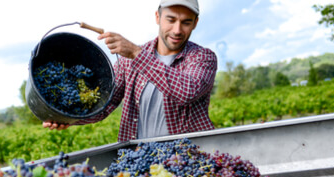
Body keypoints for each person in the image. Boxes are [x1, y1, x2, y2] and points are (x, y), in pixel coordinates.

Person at [43, 0, 218, 142]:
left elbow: (187, 91)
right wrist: (69, 118)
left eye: (186, 22)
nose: (177, 30)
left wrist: (136, 53)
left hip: (188, 159)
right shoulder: (129, 62)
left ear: (195, 23)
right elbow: (105, 105)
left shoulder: (202, 58)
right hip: (140, 160)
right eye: (171, 20)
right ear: (158, 17)